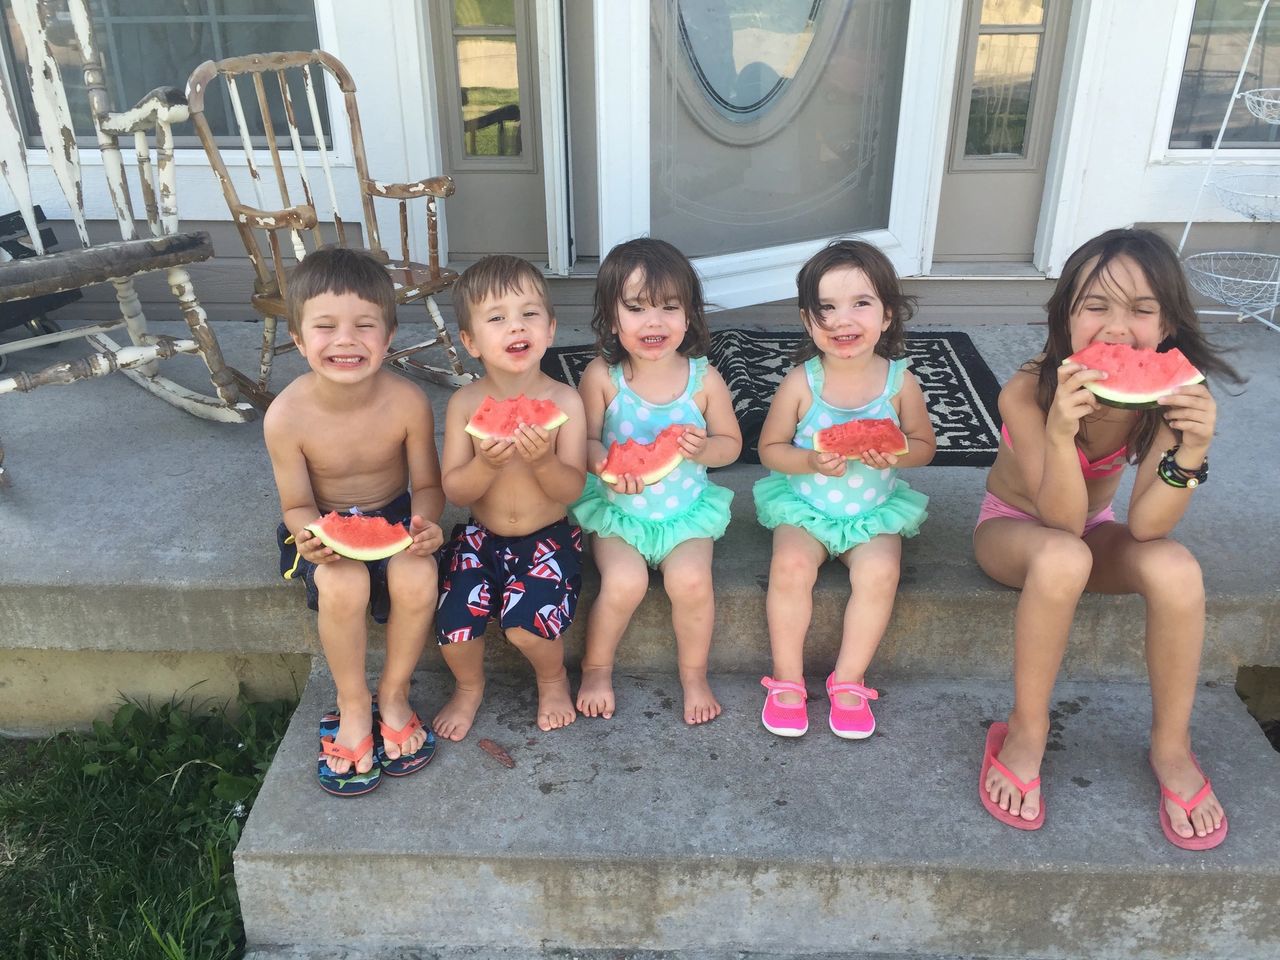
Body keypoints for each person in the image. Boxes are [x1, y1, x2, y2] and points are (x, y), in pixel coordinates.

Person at [973, 228, 1241, 848]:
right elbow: (1060, 522)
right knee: (1063, 553)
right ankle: (1026, 729)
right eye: (1095, 306)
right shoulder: (1024, 391)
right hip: (1013, 529)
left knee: (1176, 567)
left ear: (1168, 321)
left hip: (1093, 533)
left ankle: (1172, 747)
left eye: (1142, 309)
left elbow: (1148, 526)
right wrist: (1062, 433)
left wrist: (1191, 451)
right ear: (1063, 317)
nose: (1118, 329)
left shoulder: (1172, 396)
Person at [265, 247, 444, 796]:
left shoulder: (408, 402)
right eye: (325, 327)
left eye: (364, 325)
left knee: (418, 574)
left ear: (387, 338)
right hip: (322, 526)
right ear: (298, 339)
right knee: (342, 583)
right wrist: (310, 536)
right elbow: (295, 504)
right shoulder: (286, 416)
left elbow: (429, 487)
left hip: (396, 518)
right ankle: (351, 705)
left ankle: (392, 694)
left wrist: (426, 524)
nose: (346, 339)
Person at [753, 239, 935, 739]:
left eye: (861, 303)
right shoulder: (800, 382)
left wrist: (897, 452)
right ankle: (787, 676)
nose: (842, 320)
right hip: (806, 507)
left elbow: (924, 445)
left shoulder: (900, 383)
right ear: (808, 321)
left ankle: (849, 679)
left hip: (874, 512)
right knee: (790, 565)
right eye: (825, 308)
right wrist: (809, 459)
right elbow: (769, 449)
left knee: (880, 573)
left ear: (888, 314)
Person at [571, 238, 743, 725]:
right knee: (622, 583)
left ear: (690, 317)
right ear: (611, 316)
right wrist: (606, 464)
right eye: (636, 308)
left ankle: (694, 674)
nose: (654, 322)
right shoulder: (602, 376)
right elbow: (583, 441)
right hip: (618, 513)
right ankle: (597, 669)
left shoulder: (704, 380)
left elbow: (731, 443)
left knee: (692, 582)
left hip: (685, 514)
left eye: (670, 308)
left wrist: (704, 449)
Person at [435, 255, 588, 739]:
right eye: (496, 318)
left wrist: (544, 461)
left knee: (526, 627)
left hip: (549, 539)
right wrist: (485, 465)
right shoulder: (464, 404)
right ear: (470, 341)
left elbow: (572, 489)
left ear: (550, 329)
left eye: (529, 314)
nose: (515, 326)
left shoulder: (566, 402)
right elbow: (454, 490)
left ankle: (552, 676)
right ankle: (468, 687)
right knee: (454, 629)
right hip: (479, 539)